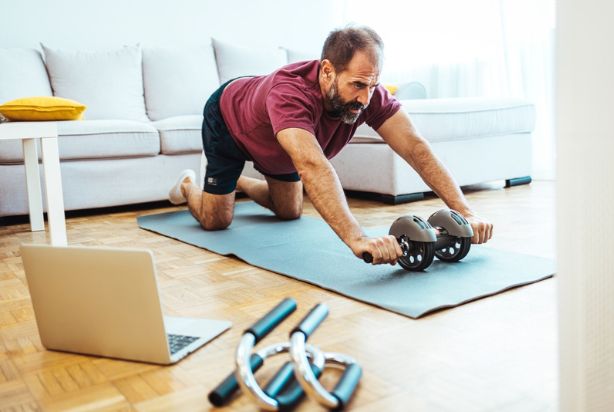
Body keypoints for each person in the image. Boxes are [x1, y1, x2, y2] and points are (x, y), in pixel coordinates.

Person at [169, 26, 493, 266]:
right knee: (217, 221)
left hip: (277, 146)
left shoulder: (366, 93)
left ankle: (237, 181)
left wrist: (465, 212)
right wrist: (357, 237)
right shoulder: (289, 94)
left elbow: (415, 147)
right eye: (357, 85)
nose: (366, 98)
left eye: (372, 85)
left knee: (289, 211)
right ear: (327, 71)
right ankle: (188, 186)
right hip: (229, 122)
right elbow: (312, 166)